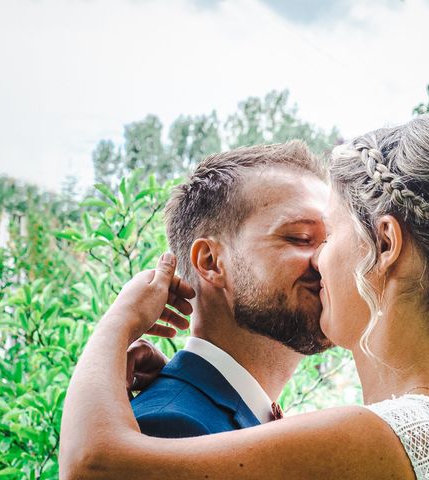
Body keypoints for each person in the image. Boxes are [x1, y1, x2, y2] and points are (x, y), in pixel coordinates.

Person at [61, 110, 429, 479]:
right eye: (302, 238)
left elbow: (94, 461)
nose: (320, 259)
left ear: (385, 245)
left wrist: (118, 324)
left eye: (331, 235)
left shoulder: (369, 435)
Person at [129, 142, 332, 438]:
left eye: (332, 240)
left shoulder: (241, 418)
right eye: (300, 237)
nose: (326, 258)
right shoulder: (169, 429)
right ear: (211, 262)